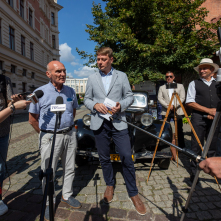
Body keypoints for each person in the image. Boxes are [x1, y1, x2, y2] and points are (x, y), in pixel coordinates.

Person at [84, 47, 146, 215]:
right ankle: (109, 185)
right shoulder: (92, 77)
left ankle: (133, 193)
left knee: (126, 155)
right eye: (98, 59)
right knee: (104, 157)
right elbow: (86, 99)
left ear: (111, 60)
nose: (99, 62)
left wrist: (121, 106)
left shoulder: (122, 76)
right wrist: (95, 105)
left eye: (103, 59)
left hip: (118, 121)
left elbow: (129, 96)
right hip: (99, 123)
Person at [29, 61, 81, 221]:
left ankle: (67, 194)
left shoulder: (71, 91)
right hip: (50, 136)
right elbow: (32, 119)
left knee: (70, 167)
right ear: (48, 74)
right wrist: (46, 134)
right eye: (58, 71)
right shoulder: (39, 92)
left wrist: (69, 129)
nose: (63, 74)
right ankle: (49, 203)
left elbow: (72, 112)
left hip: (69, 134)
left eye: (64, 71)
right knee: (48, 172)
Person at [186, 58, 220, 183]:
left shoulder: (218, 83)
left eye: (205, 68)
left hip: (215, 117)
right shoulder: (194, 83)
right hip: (198, 118)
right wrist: (208, 110)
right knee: (196, 145)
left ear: (212, 70)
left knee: (212, 145)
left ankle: (214, 171)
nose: (202, 70)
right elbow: (190, 102)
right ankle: (194, 172)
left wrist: (215, 111)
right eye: (200, 68)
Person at [0, 74, 26, 216]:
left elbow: (9, 102)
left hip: (3, 133)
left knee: (0, 169)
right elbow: (12, 107)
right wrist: (13, 108)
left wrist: (14, 102)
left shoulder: (4, 80)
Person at [158, 71, 186, 148]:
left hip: (177, 110)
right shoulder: (162, 87)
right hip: (166, 110)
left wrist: (174, 106)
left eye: (170, 76)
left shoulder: (180, 86)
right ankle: (165, 146)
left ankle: (181, 147)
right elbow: (160, 98)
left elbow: (182, 97)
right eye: (167, 77)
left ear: (173, 77)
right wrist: (168, 106)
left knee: (179, 129)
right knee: (165, 128)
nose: (169, 78)